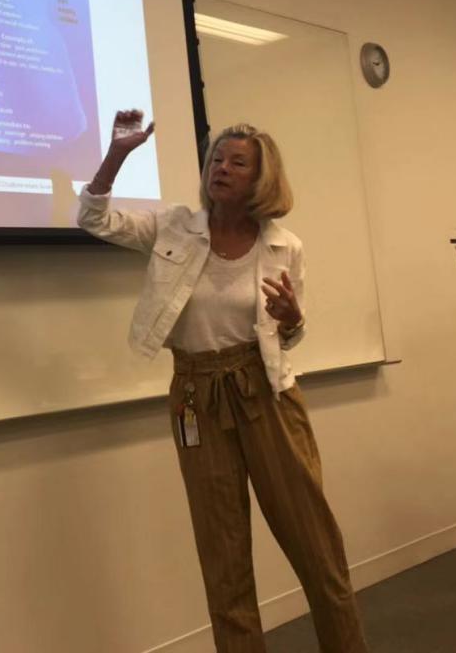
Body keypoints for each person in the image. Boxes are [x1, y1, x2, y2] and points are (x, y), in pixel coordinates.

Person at [78, 110, 367, 653]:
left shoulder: (284, 246)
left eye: (237, 162)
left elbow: (291, 335)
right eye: (216, 159)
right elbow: (93, 218)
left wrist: (292, 319)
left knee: (316, 547)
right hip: (195, 396)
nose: (221, 168)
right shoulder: (174, 227)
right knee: (223, 559)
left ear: (261, 178)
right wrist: (117, 154)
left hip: (265, 391)